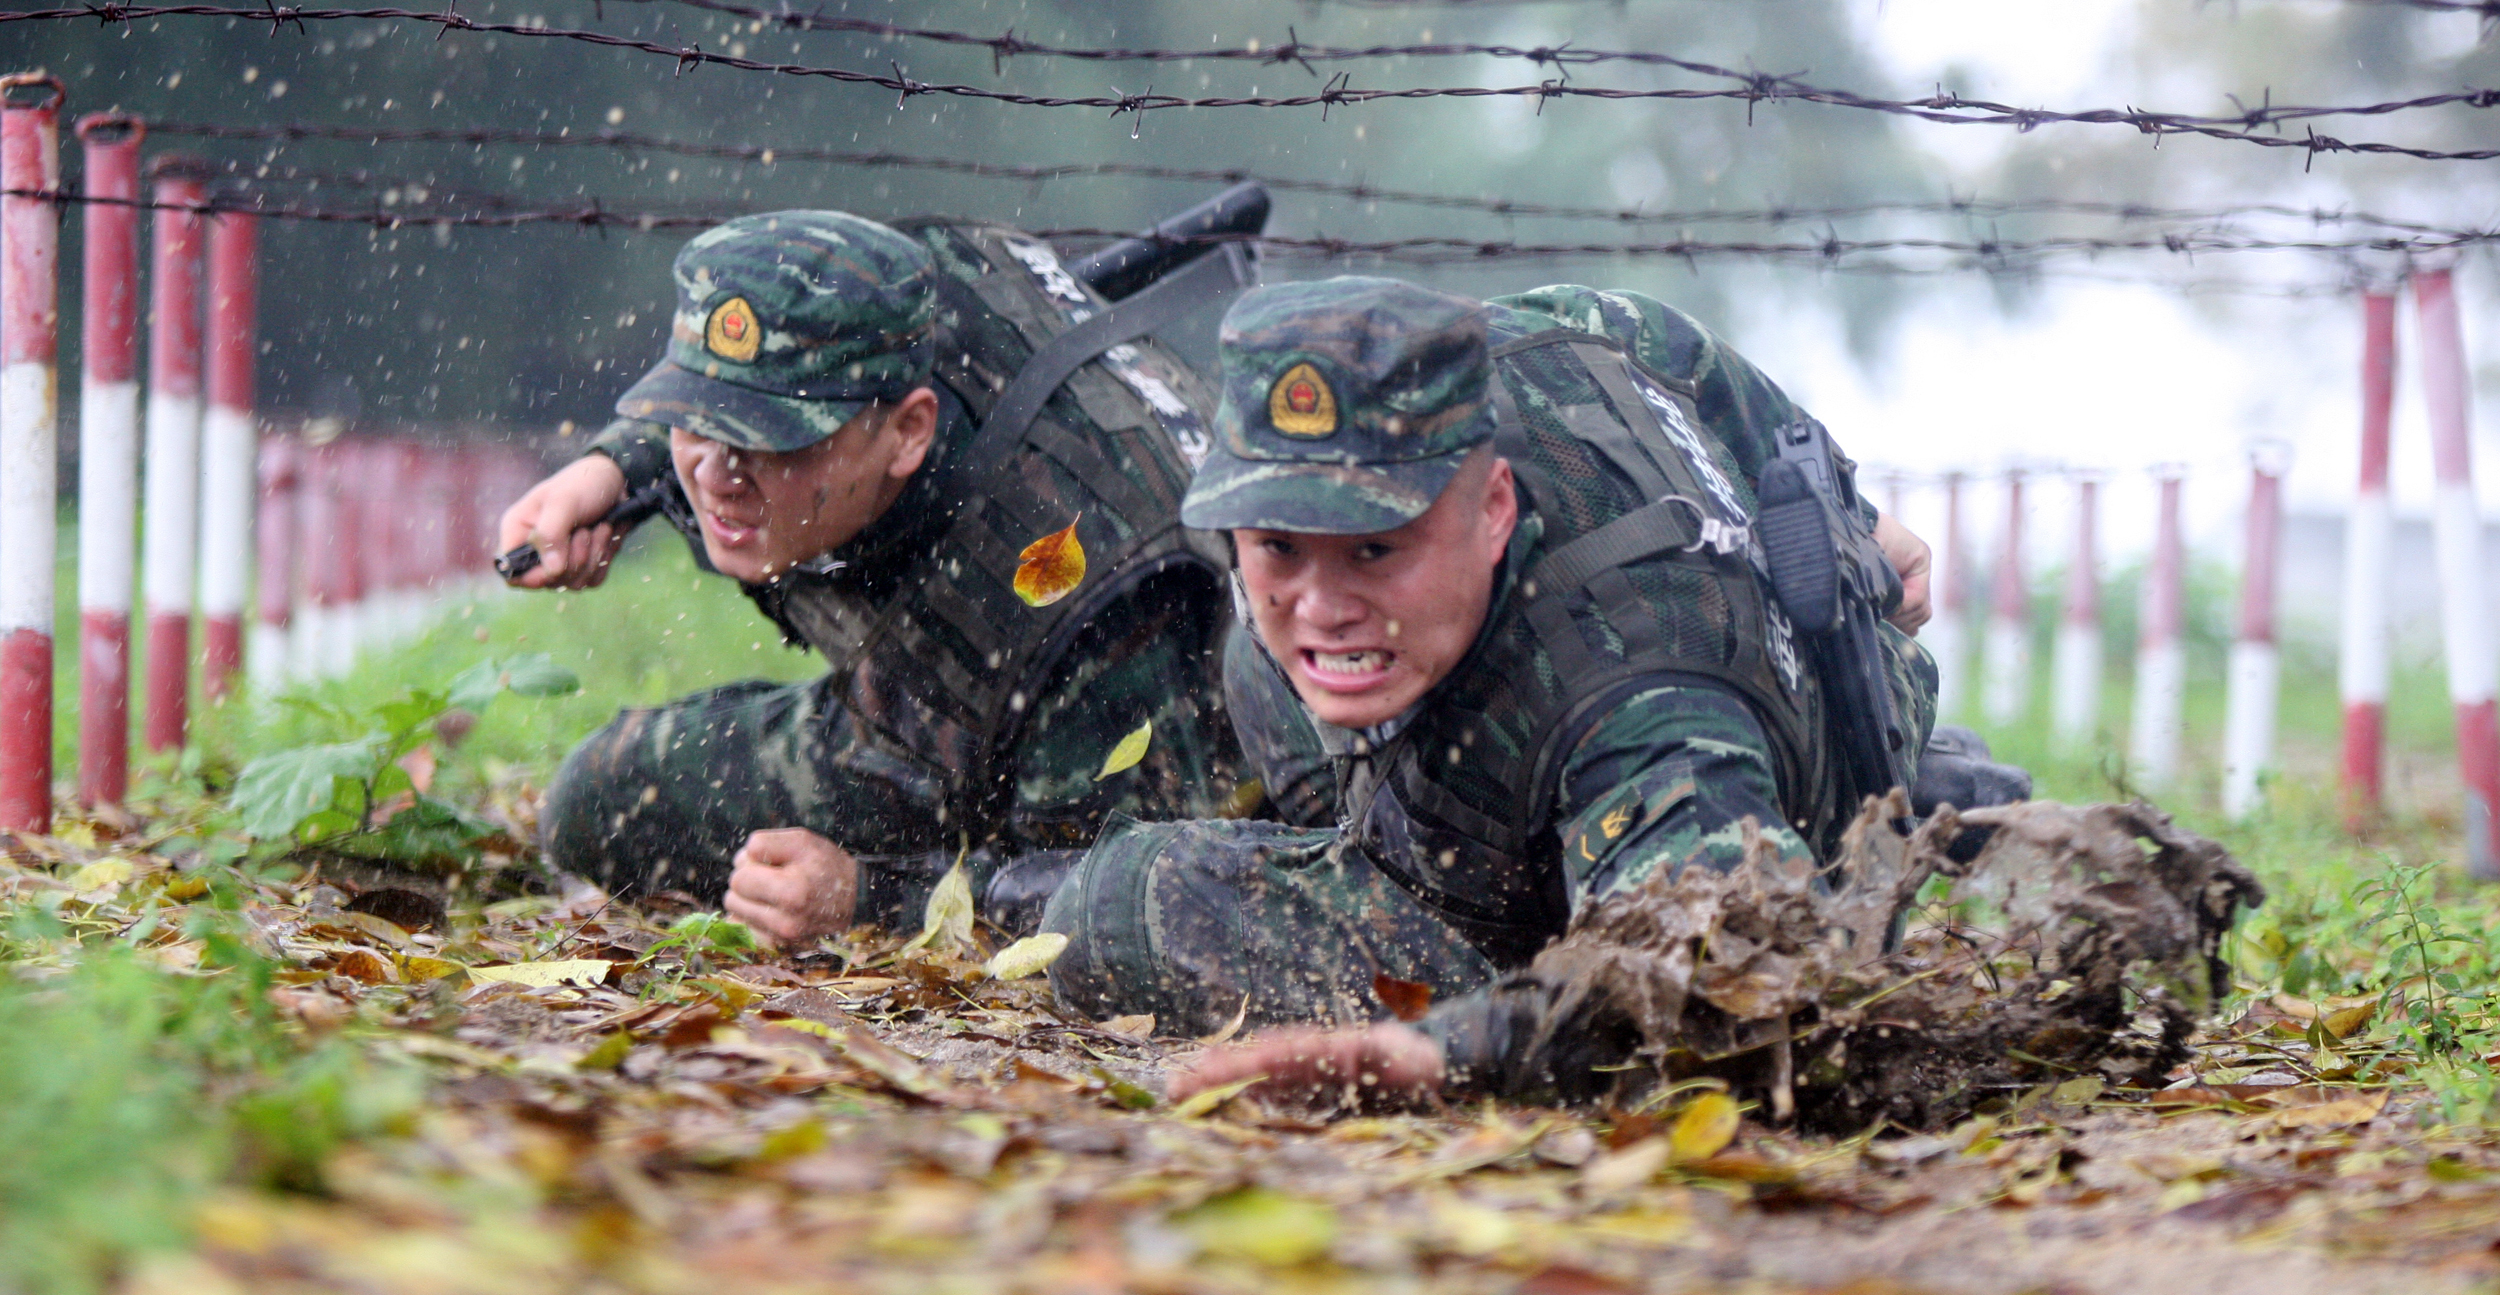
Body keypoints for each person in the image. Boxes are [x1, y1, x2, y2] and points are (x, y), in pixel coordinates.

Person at [1040, 276, 2010, 1100]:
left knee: (1122, 904)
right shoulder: (1468, 366)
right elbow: (1652, 334)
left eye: (1376, 547)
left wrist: (1448, 1048)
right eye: (1278, 544)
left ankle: (1840, 819)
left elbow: (1714, 980)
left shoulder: (1636, 701)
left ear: (1492, 507)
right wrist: (1847, 502)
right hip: (1584, 731)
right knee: (1257, 658)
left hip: (1677, 756)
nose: (1321, 603)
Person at [502, 210, 1258, 942]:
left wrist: (871, 899)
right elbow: (738, 372)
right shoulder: (907, 284)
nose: (716, 475)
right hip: (938, 711)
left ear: (907, 434)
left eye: (772, 442)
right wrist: (610, 467)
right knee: (603, 801)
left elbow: (1132, 895)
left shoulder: (1078, 593)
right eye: (693, 422)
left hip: (1093, 757)